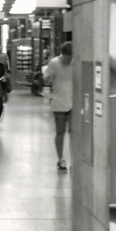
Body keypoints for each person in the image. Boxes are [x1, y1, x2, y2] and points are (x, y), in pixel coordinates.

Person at [43, 41, 74, 170]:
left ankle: (74, 160)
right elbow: (46, 78)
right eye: (67, 57)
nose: (69, 60)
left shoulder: (76, 62)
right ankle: (60, 159)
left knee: (74, 133)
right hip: (59, 102)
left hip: (74, 102)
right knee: (60, 131)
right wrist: (48, 81)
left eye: (71, 57)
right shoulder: (54, 63)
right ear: (63, 55)